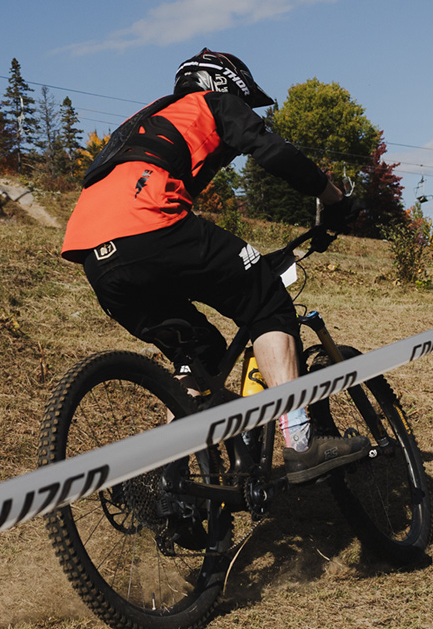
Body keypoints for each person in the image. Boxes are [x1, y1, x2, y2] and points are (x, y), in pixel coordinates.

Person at [60, 48, 363, 484]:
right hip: (151, 224)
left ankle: (169, 483)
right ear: (223, 84)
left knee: (199, 355)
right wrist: (333, 198)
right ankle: (301, 445)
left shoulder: (142, 121)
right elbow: (274, 152)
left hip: (94, 253)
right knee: (267, 302)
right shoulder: (212, 103)